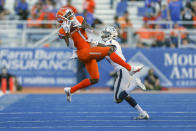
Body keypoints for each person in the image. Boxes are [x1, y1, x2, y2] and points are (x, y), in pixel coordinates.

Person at [56, 8, 143, 102]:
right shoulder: (62, 31)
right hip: (83, 52)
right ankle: (130, 69)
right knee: (109, 50)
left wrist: (80, 25)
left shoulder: (79, 18)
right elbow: (71, 46)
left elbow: (89, 29)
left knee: (95, 79)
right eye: (67, 16)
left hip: (90, 47)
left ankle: (70, 90)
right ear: (62, 19)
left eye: (70, 14)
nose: (71, 16)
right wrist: (68, 33)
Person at [100, 26, 149, 120]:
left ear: (112, 35)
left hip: (122, 70)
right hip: (123, 70)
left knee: (117, 98)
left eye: (106, 34)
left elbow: (108, 50)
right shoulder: (110, 43)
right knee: (125, 95)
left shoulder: (110, 42)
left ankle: (134, 85)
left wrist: (96, 46)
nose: (104, 35)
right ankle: (142, 113)